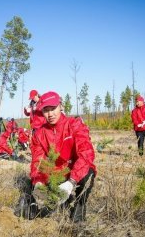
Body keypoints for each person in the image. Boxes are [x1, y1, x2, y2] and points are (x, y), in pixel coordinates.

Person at [16, 91, 97, 222]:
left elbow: (86, 154)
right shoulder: (40, 133)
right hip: (55, 172)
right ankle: (36, 207)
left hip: (74, 171)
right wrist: (38, 182)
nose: (50, 114)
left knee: (89, 172)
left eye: (53, 108)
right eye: (46, 110)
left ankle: (79, 206)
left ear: (61, 106)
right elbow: (38, 160)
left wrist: (71, 182)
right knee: (33, 187)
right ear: (41, 112)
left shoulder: (74, 125)